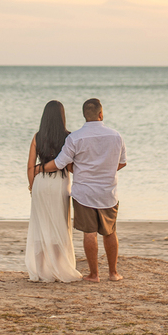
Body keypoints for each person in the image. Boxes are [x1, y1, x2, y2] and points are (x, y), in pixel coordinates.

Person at [42, 97, 126, 282]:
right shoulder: (116, 136)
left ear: (84, 116)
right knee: (110, 232)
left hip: (84, 193)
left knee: (90, 233)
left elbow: (60, 163)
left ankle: (94, 274)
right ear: (101, 114)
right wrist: (104, 171)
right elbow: (122, 162)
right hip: (108, 192)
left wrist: (39, 169)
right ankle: (113, 273)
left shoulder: (75, 138)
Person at [25, 100, 82, 282]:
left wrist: (32, 187)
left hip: (40, 182)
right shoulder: (69, 137)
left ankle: (42, 271)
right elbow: (72, 167)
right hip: (60, 182)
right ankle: (58, 269)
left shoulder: (37, 137)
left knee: (41, 225)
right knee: (59, 225)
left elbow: (30, 166)